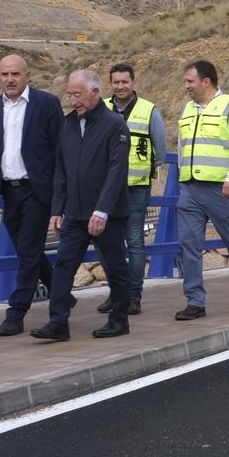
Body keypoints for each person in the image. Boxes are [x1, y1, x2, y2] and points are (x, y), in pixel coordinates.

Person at [30, 69, 135, 341]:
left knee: (115, 266)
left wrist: (102, 211)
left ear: (95, 93)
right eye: (70, 94)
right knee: (64, 265)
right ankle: (58, 322)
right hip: (75, 212)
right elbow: (61, 172)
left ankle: (119, 319)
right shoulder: (67, 126)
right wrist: (56, 210)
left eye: (78, 94)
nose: (73, 100)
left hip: (108, 214)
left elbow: (116, 171)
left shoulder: (115, 125)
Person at [0, 53, 65, 337]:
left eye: (15, 74)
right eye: (4, 75)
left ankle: (16, 312)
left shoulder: (47, 103)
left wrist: (60, 197)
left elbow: (61, 151)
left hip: (37, 191)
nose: (10, 80)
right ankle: (62, 291)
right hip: (8, 191)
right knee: (29, 251)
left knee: (27, 251)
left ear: (28, 76)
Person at [172, 60, 229, 318]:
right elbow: (181, 147)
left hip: (222, 189)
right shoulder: (187, 109)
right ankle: (195, 300)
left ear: (206, 81)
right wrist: (181, 178)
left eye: (190, 81)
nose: (186, 86)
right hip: (190, 188)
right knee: (188, 243)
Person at [96, 62, 165, 317]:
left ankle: (133, 297)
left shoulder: (149, 111)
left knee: (134, 241)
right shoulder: (100, 108)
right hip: (104, 190)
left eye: (125, 81)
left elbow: (159, 152)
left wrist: (141, 171)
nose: (120, 86)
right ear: (110, 84)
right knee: (104, 242)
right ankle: (117, 292)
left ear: (133, 83)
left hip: (136, 189)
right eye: (116, 82)